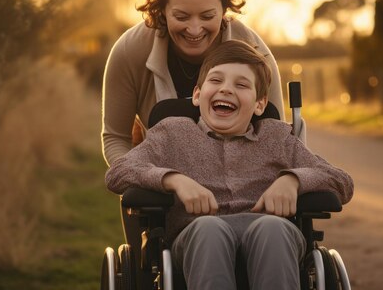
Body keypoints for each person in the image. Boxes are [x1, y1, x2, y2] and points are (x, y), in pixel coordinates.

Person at [105, 40, 354, 290]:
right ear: (197, 94)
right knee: (208, 227)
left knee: (272, 227)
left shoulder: (277, 137)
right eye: (216, 80)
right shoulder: (171, 133)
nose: (226, 90)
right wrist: (173, 179)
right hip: (196, 239)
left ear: (260, 104)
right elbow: (118, 173)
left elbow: (341, 181)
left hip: (270, 238)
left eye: (242, 85)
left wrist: (293, 180)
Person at [102, 0, 286, 166]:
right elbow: (116, 138)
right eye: (181, 17)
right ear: (162, 10)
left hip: (244, 185)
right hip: (159, 185)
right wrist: (149, 181)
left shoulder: (256, 53)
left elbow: (277, 138)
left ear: (224, 10)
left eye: (207, 16)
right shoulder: (129, 51)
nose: (195, 29)